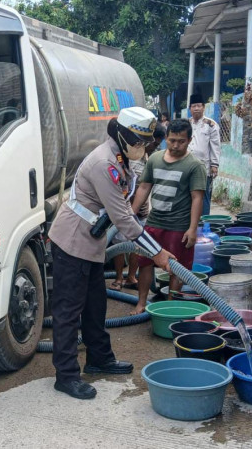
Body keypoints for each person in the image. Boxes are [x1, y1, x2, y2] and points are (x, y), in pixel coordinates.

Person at [48, 107, 174, 400]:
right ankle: (65, 376)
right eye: (139, 142)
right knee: (68, 312)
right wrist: (158, 254)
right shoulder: (105, 163)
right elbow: (124, 220)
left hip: (90, 242)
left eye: (146, 143)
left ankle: (99, 358)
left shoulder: (119, 158)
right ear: (123, 135)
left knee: (95, 305)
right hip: (72, 242)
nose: (143, 148)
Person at [131, 118, 207, 314]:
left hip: (179, 226)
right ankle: (141, 303)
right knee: (145, 263)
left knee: (177, 268)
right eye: (172, 140)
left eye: (181, 141)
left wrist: (192, 229)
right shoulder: (155, 159)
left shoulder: (194, 165)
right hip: (154, 223)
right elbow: (144, 187)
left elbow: (197, 197)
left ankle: (171, 307)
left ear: (189, 140)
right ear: (166, 138)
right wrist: (130, 214)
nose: (175, 145)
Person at [111, 124, 166, 290]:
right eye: (153, 144)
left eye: (157, 145)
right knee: (120, 244)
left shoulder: (150, 160)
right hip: (125, 209)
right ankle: (119, 278)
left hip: (141, 211)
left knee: (137, 245)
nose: (153, 147)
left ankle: (131, 277)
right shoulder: (130, 156)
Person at [187, 94, 220, 215]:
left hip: (204, 167)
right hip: (186, 166)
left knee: (204, 196)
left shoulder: (211, 125)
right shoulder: (186, 124)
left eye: (198, 106)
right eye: (193, 106)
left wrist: (214, 165)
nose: (196, 108)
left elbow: (215, 146)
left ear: (203, 107)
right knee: (187, 196)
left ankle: (204, 223)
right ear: (190, 108)